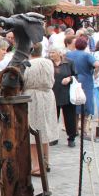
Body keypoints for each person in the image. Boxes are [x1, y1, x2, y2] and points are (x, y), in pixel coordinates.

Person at [24, 43, 58, 175]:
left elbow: (24, 80)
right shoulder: (48, 62)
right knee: (45, 130)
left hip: (33, 97)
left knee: (34, 130)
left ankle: (37, 166)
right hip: (48, 96)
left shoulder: (28, 64)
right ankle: (46, 161)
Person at [66, 36, 99, 130]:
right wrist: (96, 73)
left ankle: (75, 127)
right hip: (86, 81)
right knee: (85, 105)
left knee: (74, 104)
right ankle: (84, 128)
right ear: (85, 45)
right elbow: (98, 64)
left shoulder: (69, 54)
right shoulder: (87, 55)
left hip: (73, 80)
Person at [50, 48, 77, 147]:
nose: (51, 54)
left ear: (60, 53)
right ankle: (53, 137)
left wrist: (69, 78)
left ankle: (71, 137)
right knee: (53, 117)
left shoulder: (69, 63)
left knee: (69, 117)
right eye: (50, 52)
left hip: (67, 93)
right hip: (53, 93)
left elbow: (76, 76)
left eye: (53, 52)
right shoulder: (48, 62)